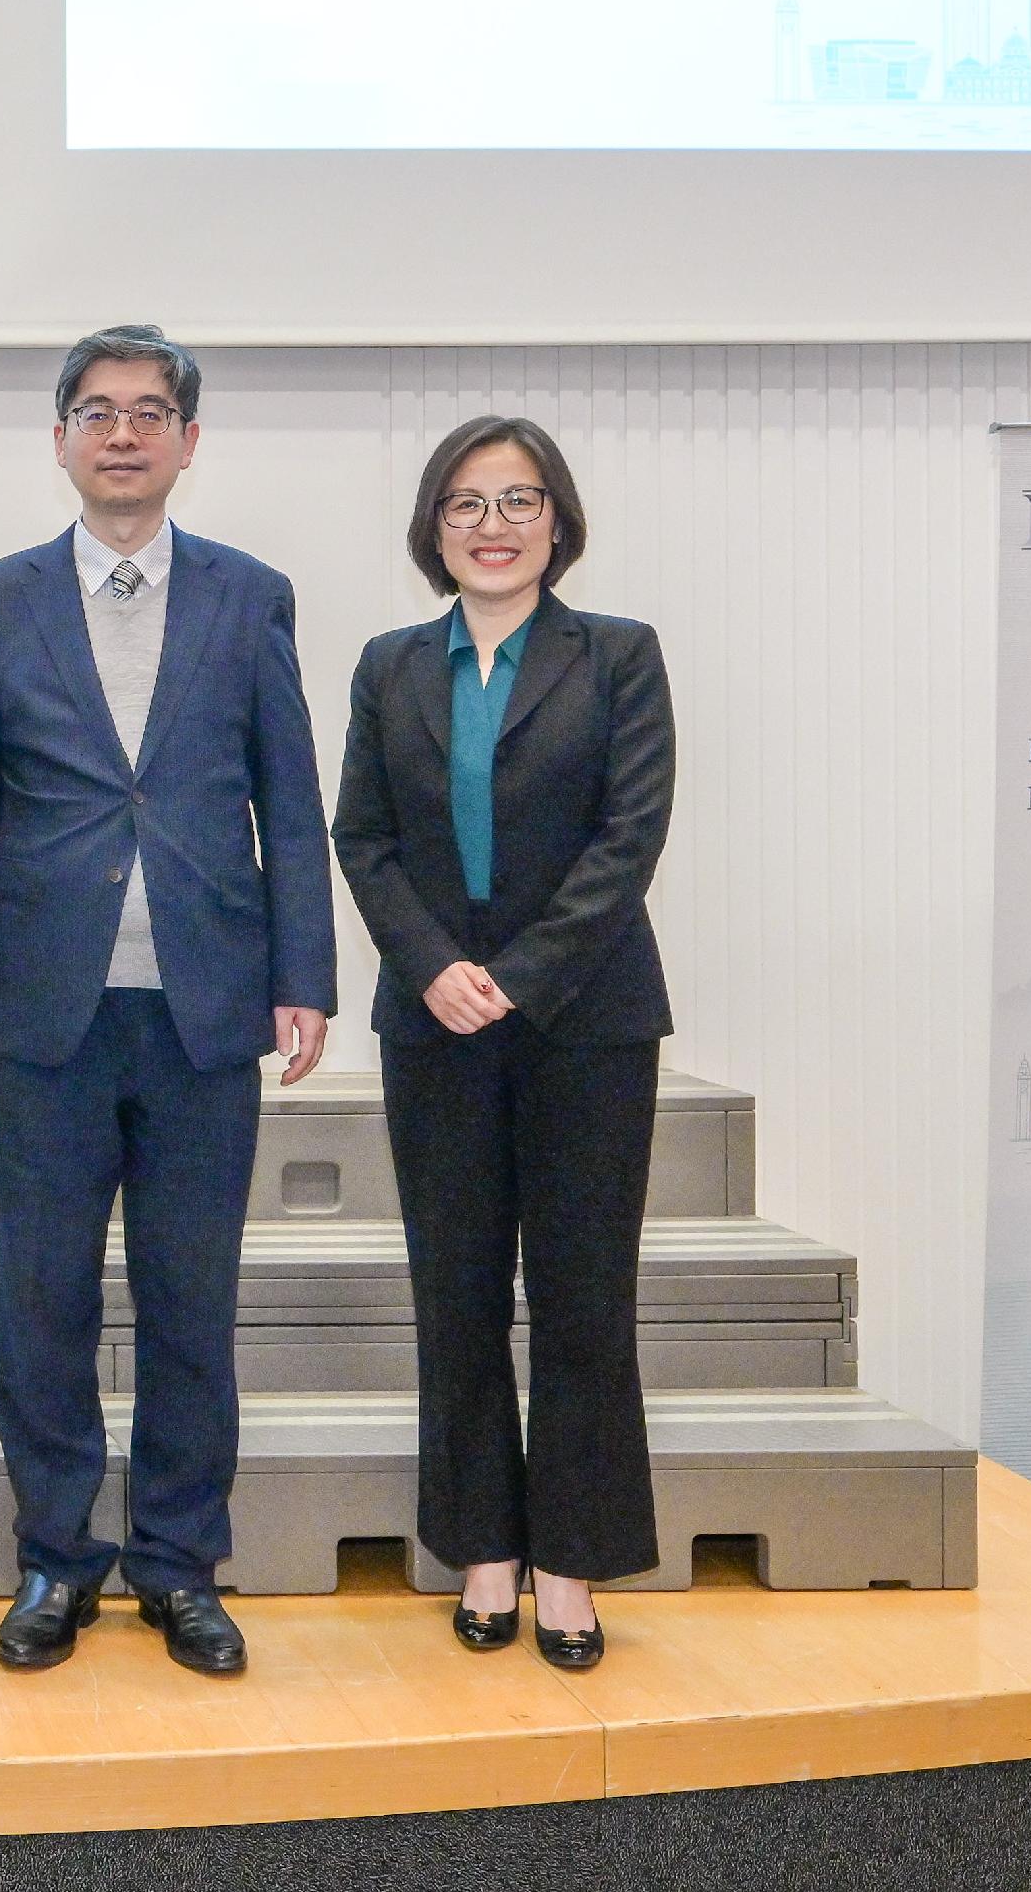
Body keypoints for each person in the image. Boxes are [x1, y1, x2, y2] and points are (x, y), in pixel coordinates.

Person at [0, 323, 332, 1680]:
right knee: (39, 1303)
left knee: (189, 1302)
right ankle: (56, 1557)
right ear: (58, 439)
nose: (121, 434)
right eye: (96, 412)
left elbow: (288, 794)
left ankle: (178, 1563)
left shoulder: (250, 595)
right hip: (44, 1010)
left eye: (148, 412)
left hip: (203, 1012)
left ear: (187, 440)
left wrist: (305, 973)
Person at [331, 414, 675, 1672]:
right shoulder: (390, 665)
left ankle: (572, 1564)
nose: (492, 523)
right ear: (433, 524)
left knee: (583, 1299)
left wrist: (516, 980)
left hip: (587, 1023)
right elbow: (358, 838)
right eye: (467, 502)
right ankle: (483, 1548)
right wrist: (433, 969)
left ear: (557, 520)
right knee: (458, 1296)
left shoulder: (618, 657)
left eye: (518, 500)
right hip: (433, 1028)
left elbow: (628, 838)